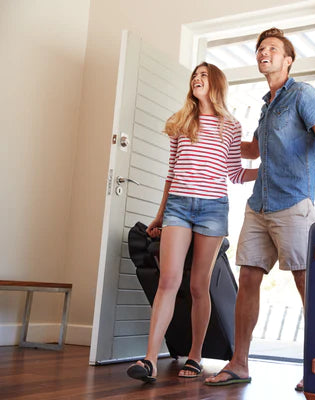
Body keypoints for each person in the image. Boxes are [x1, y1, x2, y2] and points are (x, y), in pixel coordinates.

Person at [204, 28, 315, 391]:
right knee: (248, 277)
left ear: (288, 59)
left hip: (293, 203)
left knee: (305, 281)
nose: (264, 53)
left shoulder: (302, 95)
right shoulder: (266, 107)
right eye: (260, 49)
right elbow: (252, 150)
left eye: (272, 49)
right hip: (258, 205)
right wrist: (221, 133)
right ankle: (239, 364)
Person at [126, 62, 258, 382]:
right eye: (194, 76)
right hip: (179, 208)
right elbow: (171, 173)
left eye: (203, 75)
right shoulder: (181, 122)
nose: (197, 79)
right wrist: (159, 216)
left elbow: (235, 174)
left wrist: (266, 171)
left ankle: (196, 355)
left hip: (213, 210)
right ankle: (149, 361)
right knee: (168, 281)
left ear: (215, 84)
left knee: (199, 286)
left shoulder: (230, 126)